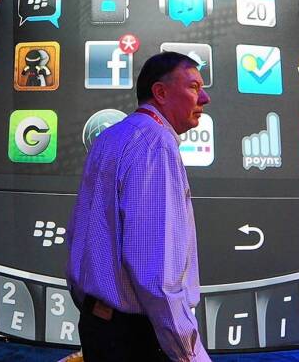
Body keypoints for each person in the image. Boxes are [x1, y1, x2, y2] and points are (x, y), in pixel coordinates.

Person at [66, 52, 211, 361]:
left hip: (97, 324)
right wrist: (189, 354)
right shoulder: (157, 144)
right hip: (136, 338)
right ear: (160, 92)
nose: (205, 97)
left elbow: (79, 235)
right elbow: (156, 273)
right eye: (194, 87)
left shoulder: (109, 137)